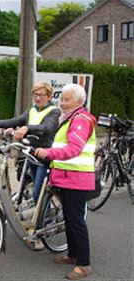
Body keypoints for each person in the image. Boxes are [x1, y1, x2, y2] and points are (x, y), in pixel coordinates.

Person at [35, 83, 95, 280]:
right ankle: (72, 255)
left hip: (77, 179)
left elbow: (74, 148)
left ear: (79, 101)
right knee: (69, 218)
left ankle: (84, 264)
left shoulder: (81, 120)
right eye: (61, 99)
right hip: (67, 177)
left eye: (67, 99)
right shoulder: (69, 118)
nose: (62, 103)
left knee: (76, 221)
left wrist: (49, 153)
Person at [0, 82, 61, 204]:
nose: (38, 98)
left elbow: (47, 127)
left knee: (38, 193)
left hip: (45, 158)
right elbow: (14, 121)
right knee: (34, 188)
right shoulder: (32, 110)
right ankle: (42, 213)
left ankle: (45, 218)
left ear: (49, 97)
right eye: (35, 94)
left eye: (42, 95)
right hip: (31, 154)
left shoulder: (54, 112)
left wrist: (27, 128)